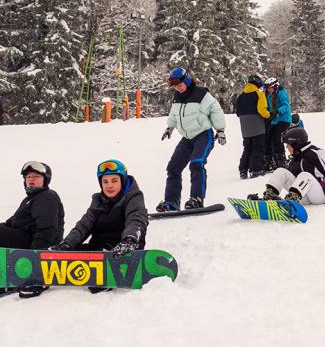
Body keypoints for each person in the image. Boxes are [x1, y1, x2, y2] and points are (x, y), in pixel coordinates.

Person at [49, 160, 148, 292]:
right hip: (99, 249)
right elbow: (84, 225)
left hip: (124, 248)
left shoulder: (133, 197)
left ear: (122, 181)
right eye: (105, 182)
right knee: (74, 253)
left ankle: (110, 271)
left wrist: (130, 239)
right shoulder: (98, 201)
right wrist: (67, 244)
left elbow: (136, 219)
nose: (109, 185)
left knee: (111, 253)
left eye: (114, 180)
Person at [157, 67, 227, 212]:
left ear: (187, 80)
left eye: (180, 85)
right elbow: (174, 113)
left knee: (196, 163)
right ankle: (171, 202)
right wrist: (170, 127)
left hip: (203, 135)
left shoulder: (201, 94)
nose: (178, 88)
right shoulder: (177, 97)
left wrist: (220, 130)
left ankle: (197, 199)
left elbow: (215, 109)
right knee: (173, 168)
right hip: (187, 138)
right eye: (175, 86)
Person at [0, 161, 65, 298]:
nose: (31, 180)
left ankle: (2, 280)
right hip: (24, 239)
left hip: (34, 244)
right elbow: (11, 223)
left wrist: (35, 257)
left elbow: (47, 229)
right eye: (28, 177)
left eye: (36, 177)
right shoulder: (30, 199)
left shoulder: (47, 197)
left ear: (45, 180)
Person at [247, 127, 325, 205]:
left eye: (288, 144)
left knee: (305, 175)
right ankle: (269, 197)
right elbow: (290, 178)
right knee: (281, 171)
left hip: (320, 195)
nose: (287, 147)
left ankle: (291, 202)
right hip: (302, 195)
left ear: (296, 144)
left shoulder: (316, 153)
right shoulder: (295, 158)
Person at [236, 74, 270, 179]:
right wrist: (269, 115)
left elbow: (238, 112)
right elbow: (262, 110)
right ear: (258, 83)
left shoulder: (240, 96)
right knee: (258, 147)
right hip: (257, 125)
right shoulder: (259, 94)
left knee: (247, 148)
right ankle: (256, 169)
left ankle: (243, 170)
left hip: (245, 126)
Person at [264, 77, 293, 169]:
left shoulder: (281, 93)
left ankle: (281, 161)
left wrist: (277, 111)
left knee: (277, 139)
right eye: (267, 88)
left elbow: (286, 106)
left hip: (284, 120)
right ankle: (270, 161)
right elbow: (268, 108)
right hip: (274, 121)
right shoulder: (269, 96)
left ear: (275, 86)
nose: (268, 90)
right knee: (268, 139)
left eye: (270, 88)